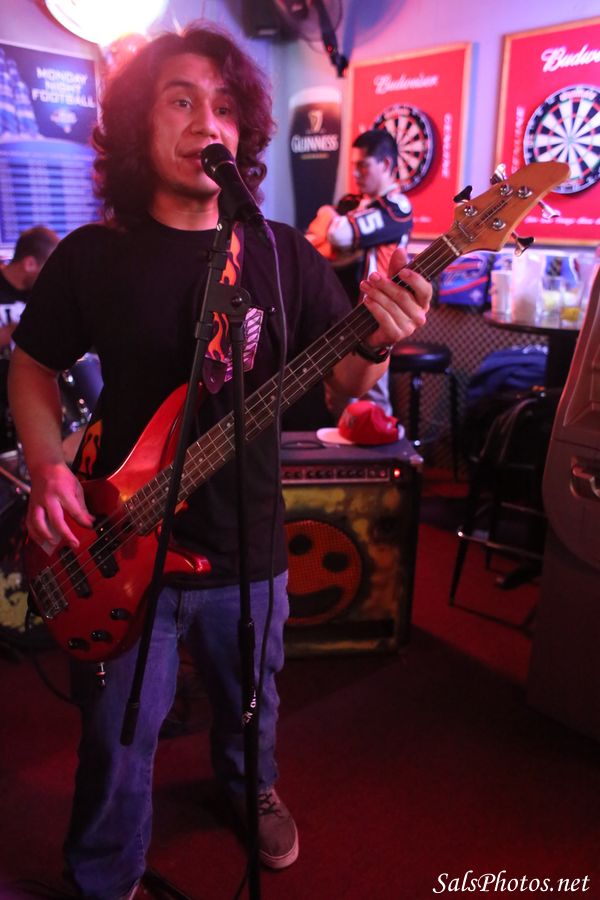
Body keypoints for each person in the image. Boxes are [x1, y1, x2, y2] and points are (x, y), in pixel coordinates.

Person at [8, 22, 431, 900]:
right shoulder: (95, 256)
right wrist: (48, 466)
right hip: (121, 547)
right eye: (182, 100)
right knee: (117, 735)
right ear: (138, 124)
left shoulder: (280, 254)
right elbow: (33, 363)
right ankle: (105, 870)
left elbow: (343, 379)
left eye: (227, 107)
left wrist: (380, 341)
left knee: (253, 703)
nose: (209, 122)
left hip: (250, 543)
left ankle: (249, 789)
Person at [306, 128, 413, 418]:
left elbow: (337, 235)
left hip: (374, 318)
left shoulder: (397, 207)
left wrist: (327, 214)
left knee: (371, 405)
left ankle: (382, 448)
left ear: (386, 164)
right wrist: (332, 230)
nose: (356, 174)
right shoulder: (352, 202)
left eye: (363, 166)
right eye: (354, 166)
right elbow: (313, 242)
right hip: (340, 314)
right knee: (337, 401)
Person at [0, 225, 59, 353]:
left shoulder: (44, 294)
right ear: (29, 264)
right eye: (48, 269)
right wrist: (9, 333)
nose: (52, 277)